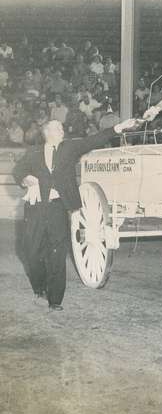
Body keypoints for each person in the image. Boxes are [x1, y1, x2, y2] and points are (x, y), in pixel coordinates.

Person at [13, 117, 136, 310]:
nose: (62, 131)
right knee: (32, 253)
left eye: (62, 128)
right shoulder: (33, 152)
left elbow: (93, 140)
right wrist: (24, 178)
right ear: (47, 132)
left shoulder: (69, 148)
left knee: (57, 254)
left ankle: (55, 300)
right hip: (35, 208)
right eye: (57, 128)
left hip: (58, 207)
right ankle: (39, 288)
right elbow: (17, 170)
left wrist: (118, 128)